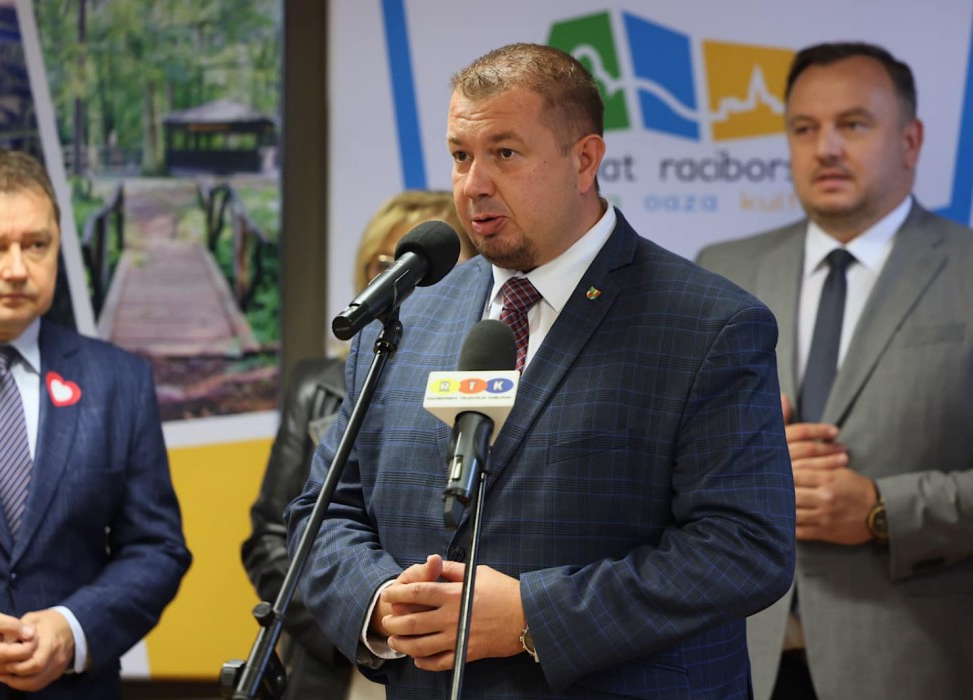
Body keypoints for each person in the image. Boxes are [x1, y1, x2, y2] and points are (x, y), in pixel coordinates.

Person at [285, 43, 796, 699]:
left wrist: (534, 616)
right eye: (460, 155)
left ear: (584, 160)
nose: (473, 184)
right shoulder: (406, 318)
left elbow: (744, 548)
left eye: (504, 153)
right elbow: (323, 512)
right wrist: (381, 603)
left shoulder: (710, 323)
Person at [697, 42, 973, 700]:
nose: (825, 148)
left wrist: (882, 509)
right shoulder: (719, 271)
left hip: (913, 662)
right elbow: (662, 469)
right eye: (803, 128)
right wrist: (742, 462)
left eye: (853, 124)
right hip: (736, 660)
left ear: (910, 140)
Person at [0, 147, 191, 698]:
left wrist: (73, 629)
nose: (18, 269)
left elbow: (157, 548)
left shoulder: (118, 381)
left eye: (36, 245)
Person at [242, 190, 472, 700]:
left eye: (426, 271)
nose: (403, 282)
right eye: (387, 265)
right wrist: (359, 616)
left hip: (451, 655)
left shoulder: (488, 384)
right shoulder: (318, 386)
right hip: (338, 660)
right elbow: (273, 536)